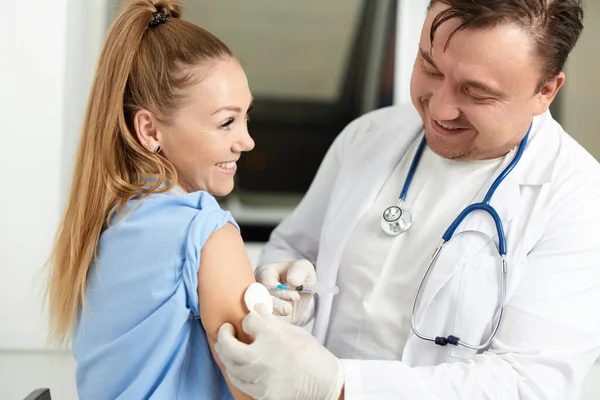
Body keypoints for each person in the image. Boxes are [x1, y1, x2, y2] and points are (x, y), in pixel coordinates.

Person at [215, 0, 600, 399]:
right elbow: (297, 246)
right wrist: (288, 287)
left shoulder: (578, 201)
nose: (440, 108)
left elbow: (528, 384)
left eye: (477, 93)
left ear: (546, 91)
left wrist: (340, 384)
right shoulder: (369, 136)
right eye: (430, 68)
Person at [45, 1, 260, 398]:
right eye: (226, 122)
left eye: (247, 117)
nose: (246, 141)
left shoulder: (109, 221)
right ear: (149, 129)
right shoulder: (204, 231)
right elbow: (261, 390)